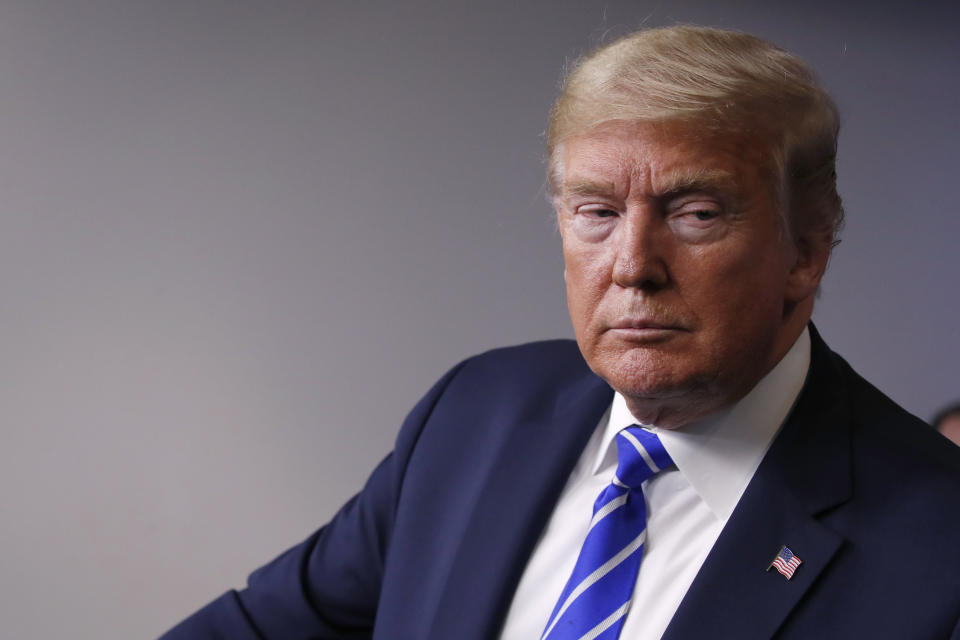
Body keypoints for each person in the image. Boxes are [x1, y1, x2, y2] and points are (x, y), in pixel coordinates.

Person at [161, 26, 960, 639]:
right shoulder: (475, 414)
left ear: (806, 249)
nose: (632, 266)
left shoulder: (937, 542)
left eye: (696, 213)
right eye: (597, 214)